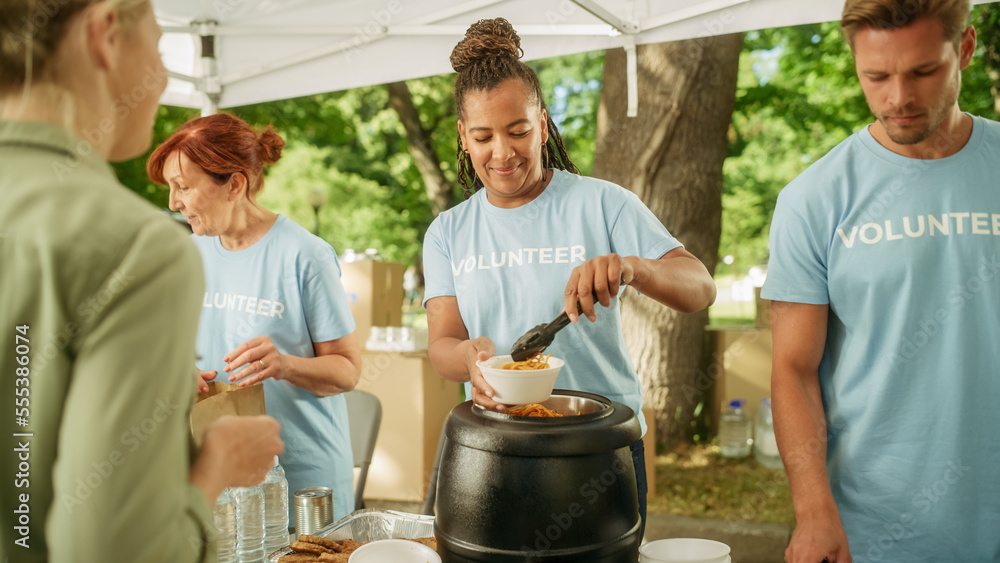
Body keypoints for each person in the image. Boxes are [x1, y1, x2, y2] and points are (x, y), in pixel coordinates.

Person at [0, 1, 283, 561]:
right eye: (158, 50)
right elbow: (113, 548)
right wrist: (214, 467)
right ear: (105, 33)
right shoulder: (135, 247)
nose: (161, 80)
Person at [422, 18, 717, 541]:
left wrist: (634, 267)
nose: (504, 153)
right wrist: (469, 358)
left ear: (543, 124)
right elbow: (443, 344)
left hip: (599, 450)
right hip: (494, 448)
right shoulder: (448, 231)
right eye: (485, 136)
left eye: (518, 131)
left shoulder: (603, 203)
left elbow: (700, 287)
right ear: (463, 138)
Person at [761, 1, 1000, 561]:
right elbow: (794, 369)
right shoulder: (812, 199)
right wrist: (813, 511)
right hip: (876, 530)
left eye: (922, 72)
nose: (899, 98)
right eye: (877, 76)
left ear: (963, 49)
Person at [147, 112, 363, 522]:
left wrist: (284, 364)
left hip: (303, 486)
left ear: (234, 184)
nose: (173, 202)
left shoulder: (305, 255)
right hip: (221, 481)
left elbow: (348, 371)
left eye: (183, 187)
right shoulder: (192, 254)